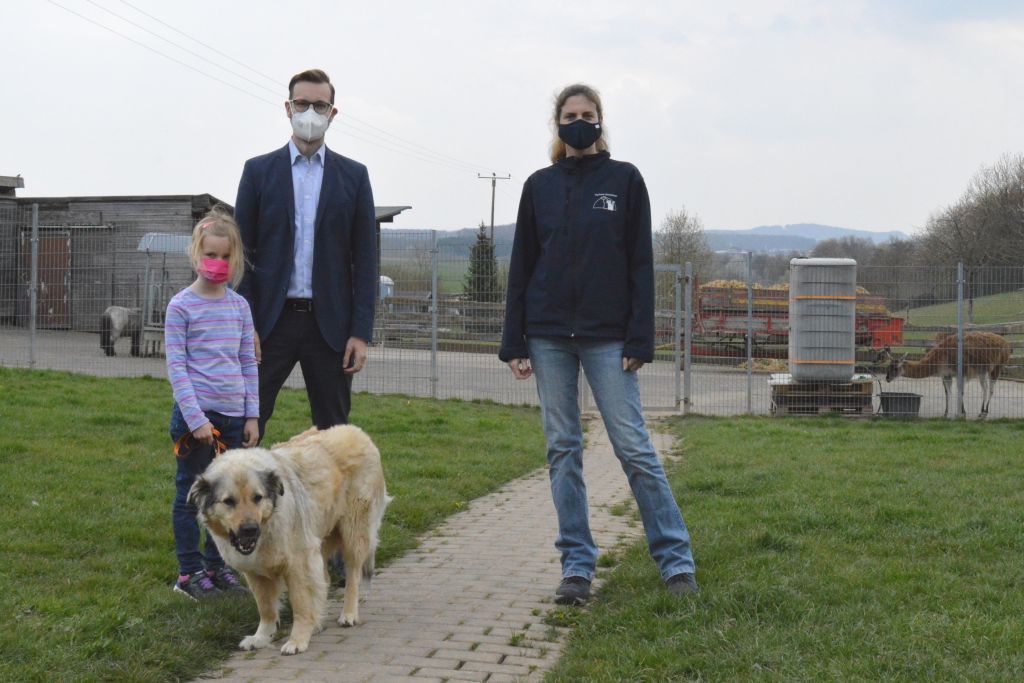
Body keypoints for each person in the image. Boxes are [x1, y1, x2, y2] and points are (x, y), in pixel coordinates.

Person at [500, 83, 698, 605]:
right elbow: (521, 264)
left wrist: (641, 337)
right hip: (547, 337)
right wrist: (513, 340)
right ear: (557, 124)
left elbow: (640, 264)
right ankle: (576, 568)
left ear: (600, 121)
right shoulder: (538, 186)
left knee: (633, 446)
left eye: (588, 115)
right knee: (562, 450)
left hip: (610, 338)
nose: (579, 122)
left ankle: (676, 561)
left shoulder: (625, 180)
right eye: (570, 115)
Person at [234, 68, 377, 442]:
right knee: (245, 425)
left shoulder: (355, 177)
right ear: (288, 107)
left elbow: (365, 261)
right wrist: (245, 325)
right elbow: (241, 257)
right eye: (302, 103)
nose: (310, 112)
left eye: (319, 105)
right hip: (268, 325)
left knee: (336, 440)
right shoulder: (257, 172)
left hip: (329, 329)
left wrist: (360, 333)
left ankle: (336, 504)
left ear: (332, 112)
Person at [166, 208, 259, 599]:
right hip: (197, 422)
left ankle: (217, 568)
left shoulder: (239, 307)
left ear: (234, 258)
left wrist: (251, 413)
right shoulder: (180, 307)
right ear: (195, 253)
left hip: (235, 419)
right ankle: (188, 575)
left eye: (224, 257)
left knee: (226, 499)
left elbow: (246, 362)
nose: (217, 264)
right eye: (211, 255)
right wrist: (196, 419)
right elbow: (177, 368)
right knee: (192, 495)